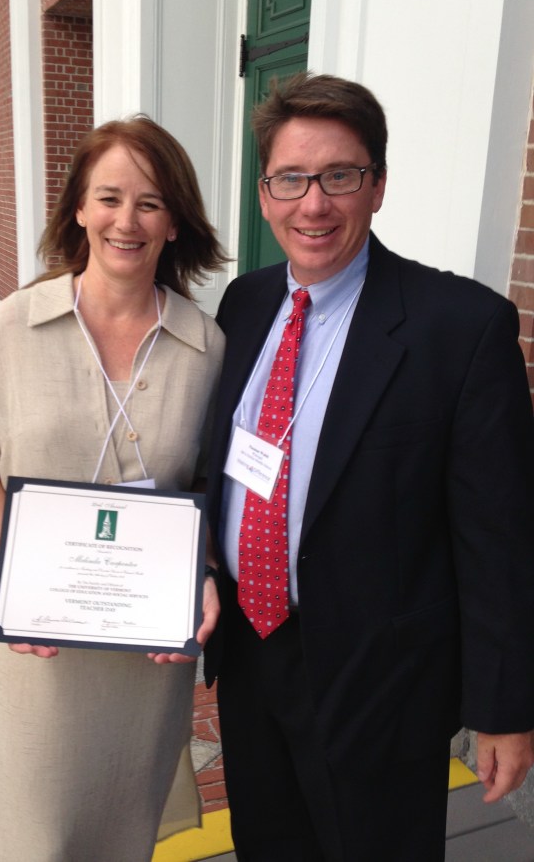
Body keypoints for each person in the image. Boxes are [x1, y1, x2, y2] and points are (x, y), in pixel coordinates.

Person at [204, 71, 534, 861]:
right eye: (292, 178)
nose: (313, 204)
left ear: (377, 186)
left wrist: (505, 707)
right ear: (264, 194)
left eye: (340, 176)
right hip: (252, 663)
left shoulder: (461, 327)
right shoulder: (242, 307)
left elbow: (500, 538)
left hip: (379, 686)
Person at [0, 115, 225, 862]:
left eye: (149, 202)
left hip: (146, 654)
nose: (126, 221)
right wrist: (23, 563)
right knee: (29, 836)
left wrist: (199, 571)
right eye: (108, 198)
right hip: (39, 644)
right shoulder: (12, 325)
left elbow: (206, 479)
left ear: (175, 223)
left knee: (119, 831)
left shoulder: (206, 345)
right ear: (78, 208)